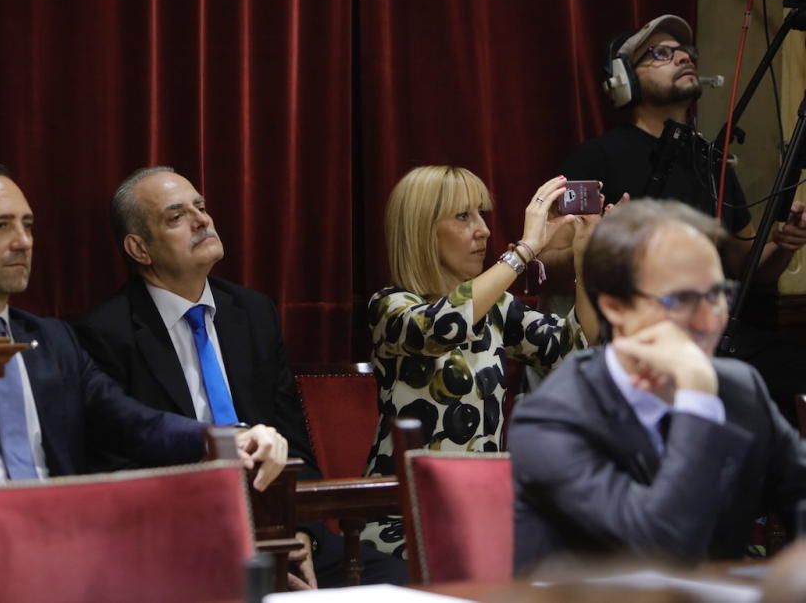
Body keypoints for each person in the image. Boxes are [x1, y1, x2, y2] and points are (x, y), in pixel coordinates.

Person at [74, 166, 407, 589]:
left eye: (201, 207)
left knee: (398, 580)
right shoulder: (105, 333)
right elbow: (120, 467)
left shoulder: (253, 313)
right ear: (140, 248)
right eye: (177, 217)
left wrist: (295, 531)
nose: (202, 220)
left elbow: (294, 440)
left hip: (282, 524)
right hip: (186, 539)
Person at [0, 161, 287, 490]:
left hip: (58, 536)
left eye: (28, 226)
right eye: (1, 226)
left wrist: (229, 439)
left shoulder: (53, 341)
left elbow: (135, 424)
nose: (23, 242)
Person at [509, 199, 806, 575]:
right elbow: (661, 555)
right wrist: (696, 400)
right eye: (682, 298)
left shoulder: (739, 387)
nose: (710, 319)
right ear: (616, 307)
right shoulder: (553, 418)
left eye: (717, 295)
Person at [550, 13, 806, 423]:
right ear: (622, 81)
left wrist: (783, 243)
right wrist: (601, 246)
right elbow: (549, 261)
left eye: (686, 51)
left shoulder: (712, 162)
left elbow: (749, 268)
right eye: (661, 53)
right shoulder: (595, 157)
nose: (684, 58)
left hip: (717, 335)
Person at [361, 165, 600, 557]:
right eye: (463, 216)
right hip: (402, 525)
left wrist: (584, 257)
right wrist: (524, 250)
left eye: (481, 215)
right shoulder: (389, 306)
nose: (484, 230)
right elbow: (442, 326)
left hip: (481, 518)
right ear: (422, 229)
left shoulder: (496, 308)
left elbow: (577, 349)